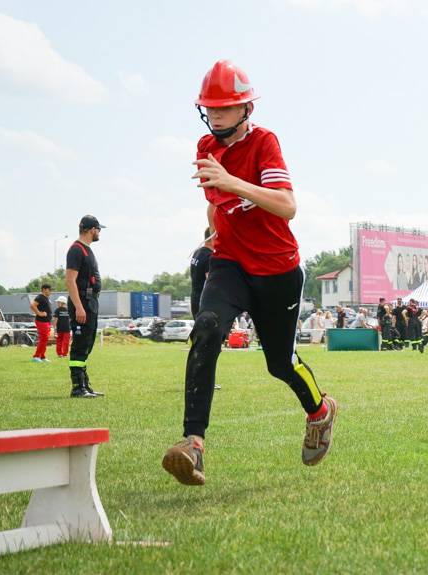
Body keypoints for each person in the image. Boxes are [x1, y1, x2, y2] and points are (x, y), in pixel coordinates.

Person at [162, 60, 337, 486]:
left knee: (279, 364)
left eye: (225, 107)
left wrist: (234, 182)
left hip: (278, 270)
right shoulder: (205, 146)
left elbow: (286, 205)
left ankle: (320, 411)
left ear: (246, 109)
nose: (216, 114)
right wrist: (212, 233)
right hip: (231, 262)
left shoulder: (264, 143)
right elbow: (215, 201)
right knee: (205, 328)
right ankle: (194, 445)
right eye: (210, 107)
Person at [65, 215, 106, 398]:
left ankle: (84, 384)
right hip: (82, 303)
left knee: (87, 343)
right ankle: (77, 387)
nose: (99, 233)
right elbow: (70, 281)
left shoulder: (87, 250)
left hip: (90, 303)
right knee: (80, 344)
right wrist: (79, 307)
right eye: (98, 229)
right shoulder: (76, 250)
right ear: (92, 229)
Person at [190, 227, 214, 318]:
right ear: (213, 237)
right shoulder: (209, 256)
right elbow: (210, 283)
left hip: (194, 300)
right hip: (203, 304)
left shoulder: (196, 253)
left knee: (200, 331)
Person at [30, 283, 53, 363]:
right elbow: (33, 305)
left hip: (46, 322)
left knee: (45, 339)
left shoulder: (46, 298)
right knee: (43, 338)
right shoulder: (40, 297)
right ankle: (36, 356)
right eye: (49, 290)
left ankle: (42, 356)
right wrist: (39, 313)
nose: (51, 292)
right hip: (41, 321)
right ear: (44, 289)